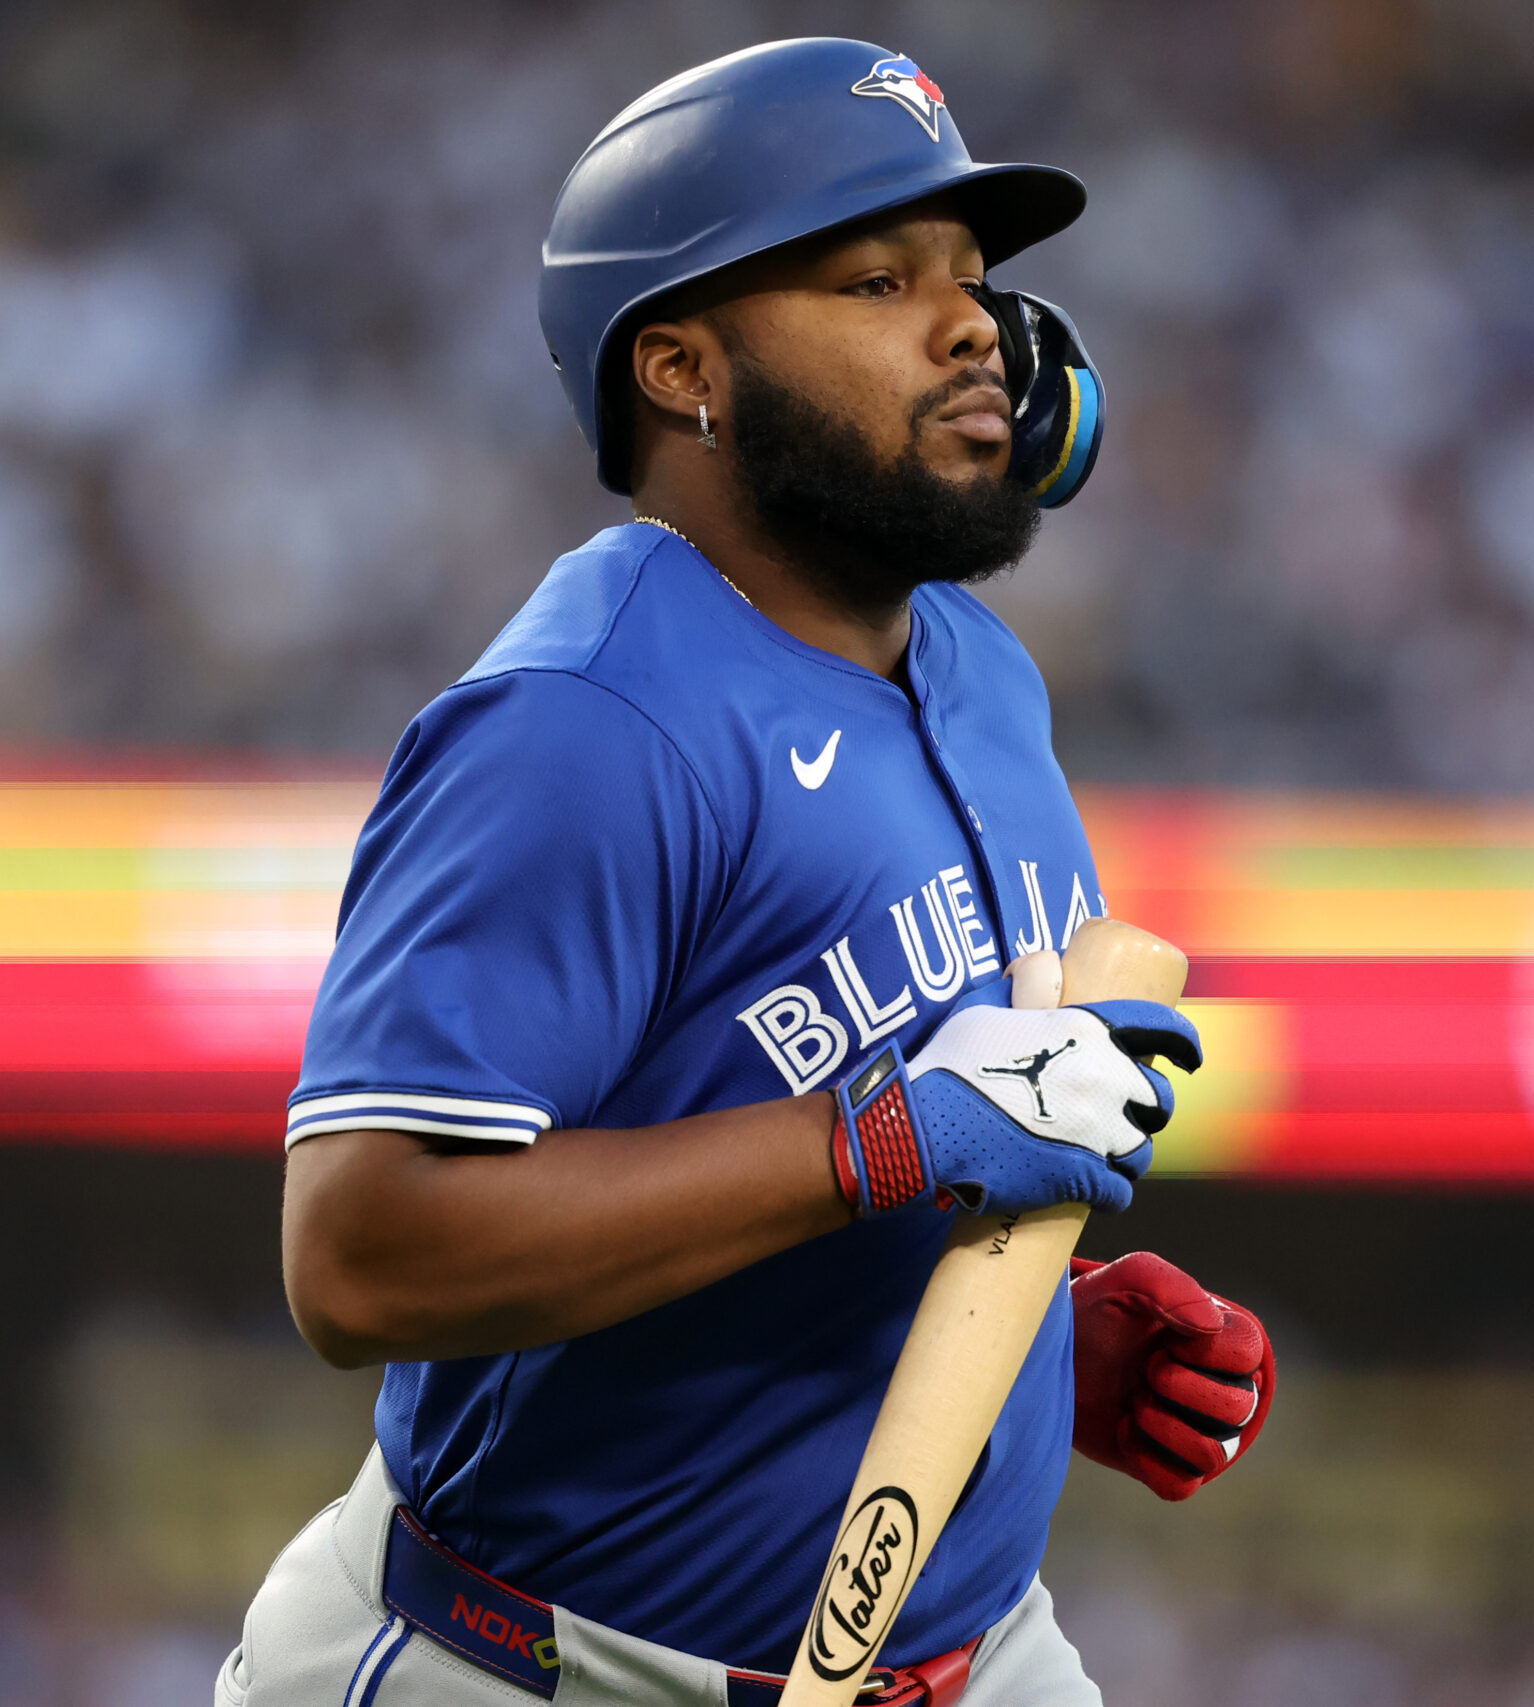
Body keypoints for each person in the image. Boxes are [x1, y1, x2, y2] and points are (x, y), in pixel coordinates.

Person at [220, 39, 1275, 1707]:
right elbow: (361, 1260)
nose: (972, 328)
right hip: (538, 1668)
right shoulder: (585, 721)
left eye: (975, 281)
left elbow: (861, 1134)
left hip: (979, 1656)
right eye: (877, 279)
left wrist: (1033, 1339)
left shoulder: (982, 667)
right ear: (682, 369)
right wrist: (884, 1142)